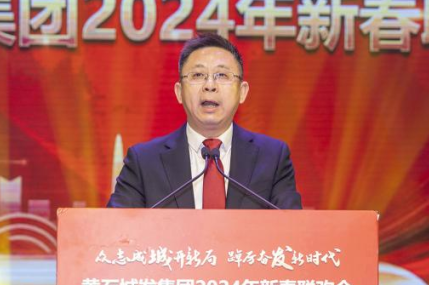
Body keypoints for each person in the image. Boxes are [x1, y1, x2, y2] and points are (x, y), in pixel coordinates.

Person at [107, 34, 301, 209]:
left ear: (242, 92)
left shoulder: (272, 159)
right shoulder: (143, 162)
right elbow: (116, 230)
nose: (210, 85)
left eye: (222, 75)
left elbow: (292, 230)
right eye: (198, 75)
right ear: (179, 92)